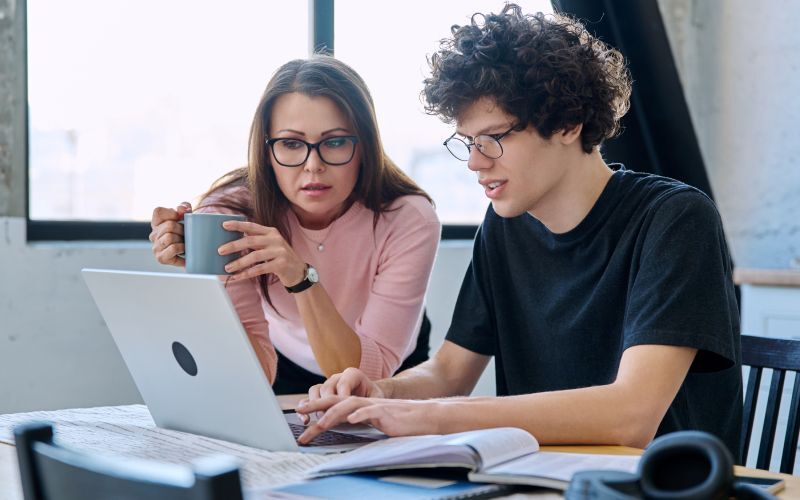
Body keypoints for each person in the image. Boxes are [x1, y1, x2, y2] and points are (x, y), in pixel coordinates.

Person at [295, 4, 743, 456]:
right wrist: (380, 394)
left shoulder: (675, 219)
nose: (474, 161)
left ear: (569, 123)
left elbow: (631, 415)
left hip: (660, 483)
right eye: (468, 143)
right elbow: (449, 373)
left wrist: (434, 417)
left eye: (494, 138)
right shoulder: (506, 228)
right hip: (539, 478)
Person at [148, 56, 441, 394]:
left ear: (365, 146)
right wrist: (209, 273)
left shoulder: (408, 219)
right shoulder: (230, 212)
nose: (313, 166)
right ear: (266, 149)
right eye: (291, 143)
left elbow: (367, 374)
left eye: (334, 142)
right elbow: (251, 376)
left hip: (385, 363)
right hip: (283, 360)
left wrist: (299, 277)